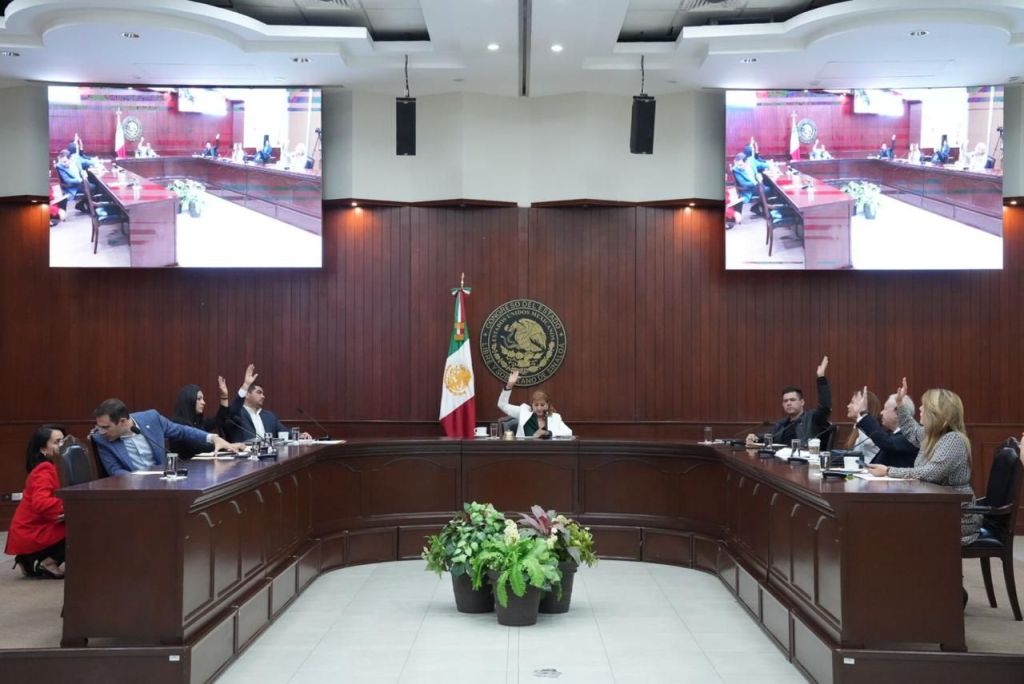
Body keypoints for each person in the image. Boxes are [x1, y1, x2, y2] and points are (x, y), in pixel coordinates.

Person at [866, 379, 981, 545]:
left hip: (957, 516)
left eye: (924, 406)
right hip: (937, 509)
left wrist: (888, 471)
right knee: (887, 520)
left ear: (938, 413)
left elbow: (930, 473)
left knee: (892, 525)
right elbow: (911, 430)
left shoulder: (953, 439)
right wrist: (900, 404)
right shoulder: (932, 435)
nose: (920, 409)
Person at [92, 398, 243, 476]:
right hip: (135, 491)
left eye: (105, 427)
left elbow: (182, 431)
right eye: (99, 427)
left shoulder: (151, 418)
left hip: (165, 482)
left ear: (122, 422)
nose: (101, 431)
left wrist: (213, 438)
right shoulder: (101, 439)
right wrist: (140, 478)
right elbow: (115, 471)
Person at [5, 425, 67, 579]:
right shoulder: (44, 469)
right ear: (43, 449)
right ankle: (48, 562)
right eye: (57, 442)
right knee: (83, 524)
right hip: (32, 530)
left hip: (40, 526)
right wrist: (70, 507)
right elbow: (41, 503)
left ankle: (29, 559)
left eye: (64, 440)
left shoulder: (56, 466)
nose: (63, 445)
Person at [746, 356, 831, 447]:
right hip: (780, 455)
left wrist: (821, 378)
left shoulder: (812, 419)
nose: (789, 403)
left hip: (802, 455)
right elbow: (769, 437)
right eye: (785, 401)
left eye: (792, 400)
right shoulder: (782, 424)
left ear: (802, 402)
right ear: (782, 404)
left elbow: (825, 407)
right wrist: (755, 437)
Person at [226, 364, 311, 442]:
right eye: (259, 393)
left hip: (269, 452)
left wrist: (300, 435)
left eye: (263, 394)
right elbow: (233, 409)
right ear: (247, 394)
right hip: (245, 452)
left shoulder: (269, 416)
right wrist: (245, 385)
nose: (263, 396)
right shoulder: (237, 414)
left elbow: (284, 432)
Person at [850, 388, 918, 467]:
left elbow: (886, 443)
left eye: (885, 409)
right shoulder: (895, 434)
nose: (881, 413)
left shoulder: (911, 435)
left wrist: (864, 414)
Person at [497, 370, 572, 438]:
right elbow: (502, 405)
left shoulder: (555, 417)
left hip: (547, 448)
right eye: (536, 405)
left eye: (542, 405)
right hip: (525, 448)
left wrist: (547, 433)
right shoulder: (523, 411)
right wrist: (509, 386)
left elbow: (569, 433)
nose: (539, 408)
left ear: (548, 404)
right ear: (532, 405)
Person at [169, 377, 231, 459]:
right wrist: (225, 445)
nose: (203, 402)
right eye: (199, 399)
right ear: (189, 400)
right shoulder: (178, 423)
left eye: (203, 399)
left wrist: (224, 396)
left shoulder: (197, 421)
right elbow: (199, 447)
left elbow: (219, 420)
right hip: (184, 466)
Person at [843, 388, 881, 462]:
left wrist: (861, 414)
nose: (848, 406)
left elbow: (868, 442)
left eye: (852, 403)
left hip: (871, 468)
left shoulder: (873, 428)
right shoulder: (857, 426)